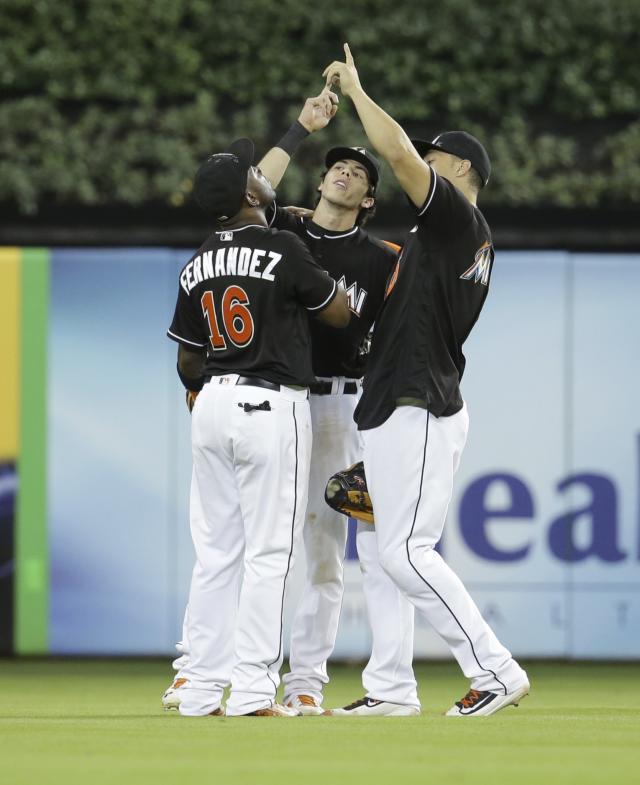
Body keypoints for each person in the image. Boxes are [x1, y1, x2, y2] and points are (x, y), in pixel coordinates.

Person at [163, 90, 421, 717]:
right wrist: (300, 130)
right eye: (338, 163)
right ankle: (231, 679)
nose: (345, 170)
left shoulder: (382, 257)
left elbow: (240, 200)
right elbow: (248, 197)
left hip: (331, 405)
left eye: (360, 171)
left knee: (317, 549)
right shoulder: (286, 233)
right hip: (281, 404)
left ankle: (299, 679)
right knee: (266, 550)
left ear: (369, 198)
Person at [322, 45, 530, 717]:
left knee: (407, 552)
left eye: (435, 156)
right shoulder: (450, 235)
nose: (421, 162)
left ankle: (495, 669)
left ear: (461, 167)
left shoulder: (456, 218)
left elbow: (402, 160)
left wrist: (357, 91)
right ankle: (390, 689)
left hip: (418, 401)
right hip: (402, 400)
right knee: (385, 551)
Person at [166, 136, 349, 717]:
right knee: (271, 554)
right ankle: (251, 690)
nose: (266, 175)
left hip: (213, 401)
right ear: (250, 193)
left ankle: (197, 688)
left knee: (216, 553)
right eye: (256, 172)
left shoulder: (198, 261)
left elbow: (187, 359)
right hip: (270, 405)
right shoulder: (284, 246)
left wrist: (201, 393)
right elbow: (339, 314)